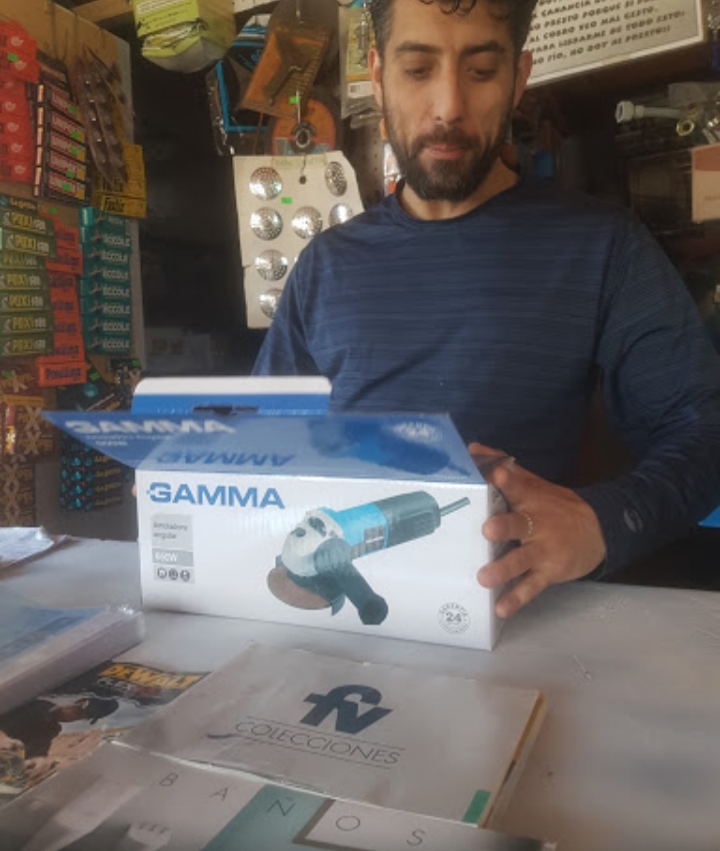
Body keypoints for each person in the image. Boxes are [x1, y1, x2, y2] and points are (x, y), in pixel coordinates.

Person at [253, 0, 720, 618]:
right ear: (379, 75)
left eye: (480, 71)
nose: (448, 107)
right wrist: (192, 484)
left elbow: (704, 431)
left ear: (518, 78)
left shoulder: (603, 248)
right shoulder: (324, 266)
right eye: (418, 69)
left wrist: (604, 522)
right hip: (338, 623)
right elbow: (262, 438)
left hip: (516, 623)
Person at [0, 696, 118, 760]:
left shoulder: (52, 729)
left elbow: (37, 751)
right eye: (78, 712)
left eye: (84, 717)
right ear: (79, 701)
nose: (75, 718)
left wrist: (39, 761)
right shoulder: (37, 706)